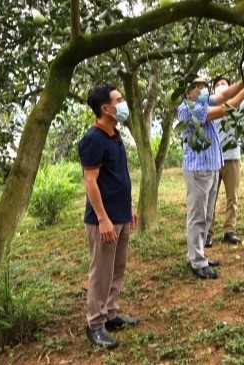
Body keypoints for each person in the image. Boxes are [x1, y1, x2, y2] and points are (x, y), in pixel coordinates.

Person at [178, 73, 244, 279]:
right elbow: (225, 108)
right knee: (197, 216)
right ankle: (196, 261)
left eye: (203, 86)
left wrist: (243, 80)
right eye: (197, 87)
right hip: (198, 169)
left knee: (206, 215)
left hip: (212, 166)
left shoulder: (202, 101)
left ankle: (198, 254)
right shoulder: (189, 108)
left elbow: (224, 96)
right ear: (187, 92)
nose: (202, 89)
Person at [79, 86, 140, 349]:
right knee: (101, 271)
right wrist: (103, 218)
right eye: (119, 100)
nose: (124, 104)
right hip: (103, 218)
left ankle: (110, 313)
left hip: (121, 214)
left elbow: (118, 177)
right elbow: (90, 182)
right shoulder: (93, 139)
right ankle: (95, 324)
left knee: (117, 267)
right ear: (106, 109)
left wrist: (129, 208)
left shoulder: (114, 135)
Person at [206, 76, 244, 247]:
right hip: (213, 158)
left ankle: (229, 231)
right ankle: (207, 232)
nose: (221, 86)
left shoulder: (239, 105)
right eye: (218, 85)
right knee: (210, 198)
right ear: (214, 91)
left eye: (224, 84)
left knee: (232, 197)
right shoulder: (210, 106)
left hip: (232, 157)